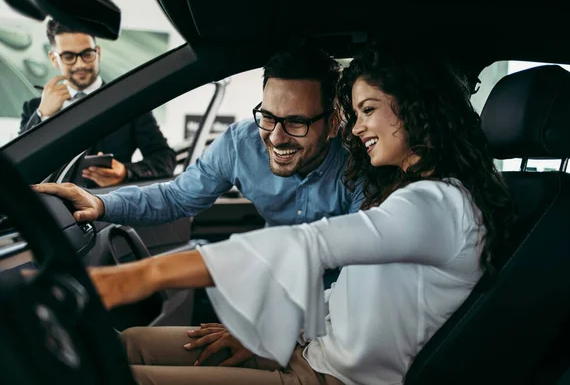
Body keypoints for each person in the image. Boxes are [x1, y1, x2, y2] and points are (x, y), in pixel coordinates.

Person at [36, 44, 514, 384]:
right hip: (310, 346)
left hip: (329, 374)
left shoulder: (424, 200)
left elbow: (309, 248)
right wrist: (101, 202)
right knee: (126, 345)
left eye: (367, 109)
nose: (277, 136)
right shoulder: (415, 193)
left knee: (116, 375)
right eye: (268, 117)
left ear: (334, 122)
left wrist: (137, 277)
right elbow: (353, 292)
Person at [20, 19, 175, 187]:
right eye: (69, 56)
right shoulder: (35, 108)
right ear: (54, 58)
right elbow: (19, 165)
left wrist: (125, 172)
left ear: (98, 53)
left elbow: (165, 158)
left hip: (107, 207)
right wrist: (42, 116)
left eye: (87, 54)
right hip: (48, 208)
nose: (80, 64)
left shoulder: (128, 102)